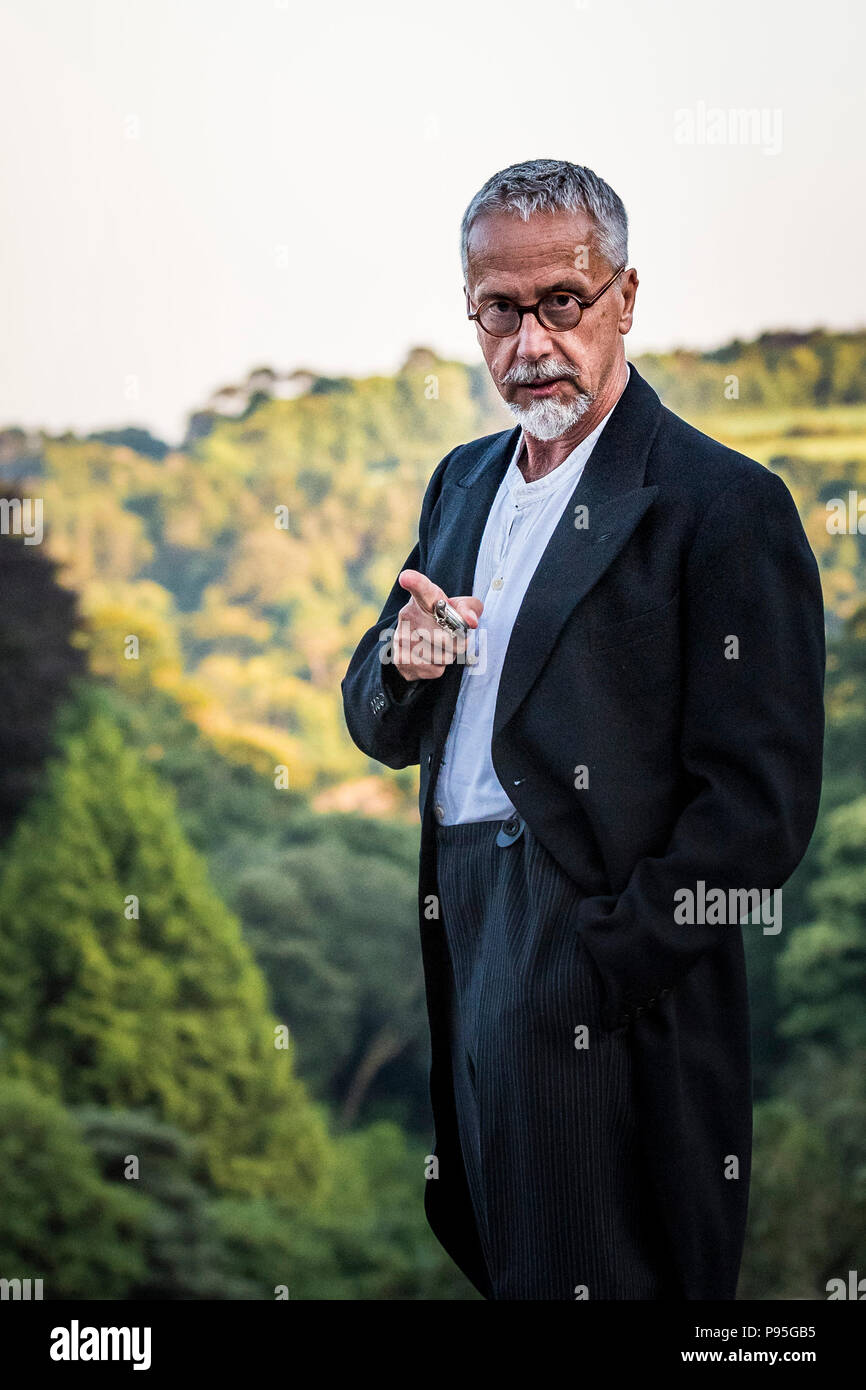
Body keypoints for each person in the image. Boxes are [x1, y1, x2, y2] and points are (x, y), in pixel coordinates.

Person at [341, 158, 825, 1300]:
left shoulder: (723, 504)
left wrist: (596, 967)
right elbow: (376, 711)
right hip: (460, 923)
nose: (530, 340)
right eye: (498, 310)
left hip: (596, 943)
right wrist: (404, 664)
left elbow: (757, 810)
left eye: (562, 300)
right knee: (510, 1263)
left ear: (623, 296)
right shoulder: (459, 482)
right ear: (471, 311)